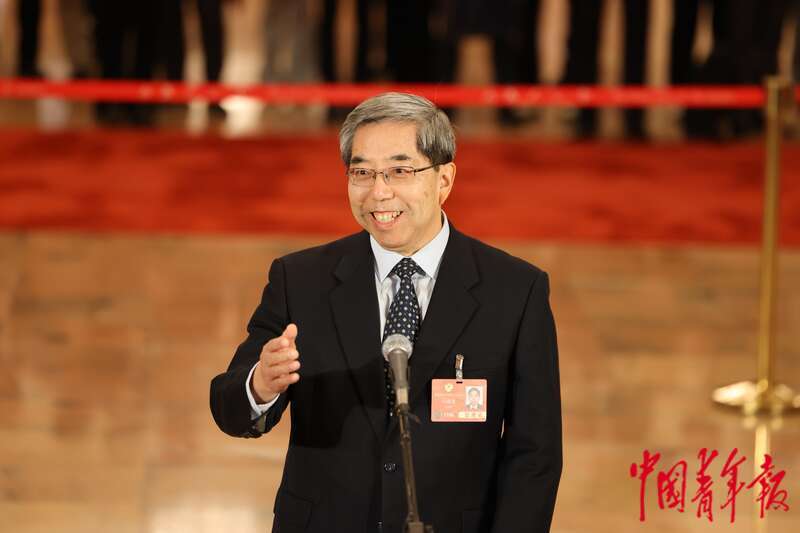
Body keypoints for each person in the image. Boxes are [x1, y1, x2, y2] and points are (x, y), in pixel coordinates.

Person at [210, 92, 562, 533]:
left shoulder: (515, 291)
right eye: (362, 172)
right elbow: (229, 406)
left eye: (400, 171)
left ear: (445, 179)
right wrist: (260, 385)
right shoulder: (300, 280)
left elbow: (535, 454)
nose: (379, 192)